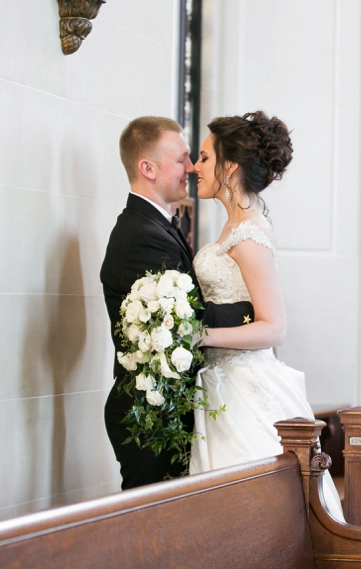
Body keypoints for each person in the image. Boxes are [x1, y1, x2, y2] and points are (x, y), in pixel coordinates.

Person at [187, 111, 344, 520]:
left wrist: (200, 336)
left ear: (230, 166)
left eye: (204, 158)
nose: (195, 167)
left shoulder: (250, 234)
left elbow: (274, 327)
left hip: (243, 382)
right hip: (222, 380)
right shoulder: (234, 226)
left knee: (249, 510)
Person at [100, 116, 255, 490]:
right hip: (150, 416)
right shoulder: (140, 236)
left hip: (167, 408)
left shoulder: (157, 225)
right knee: (151, 533)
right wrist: (250, 308)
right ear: (147, 168)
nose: (190, 168)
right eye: (181, 159)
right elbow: (189, 318)